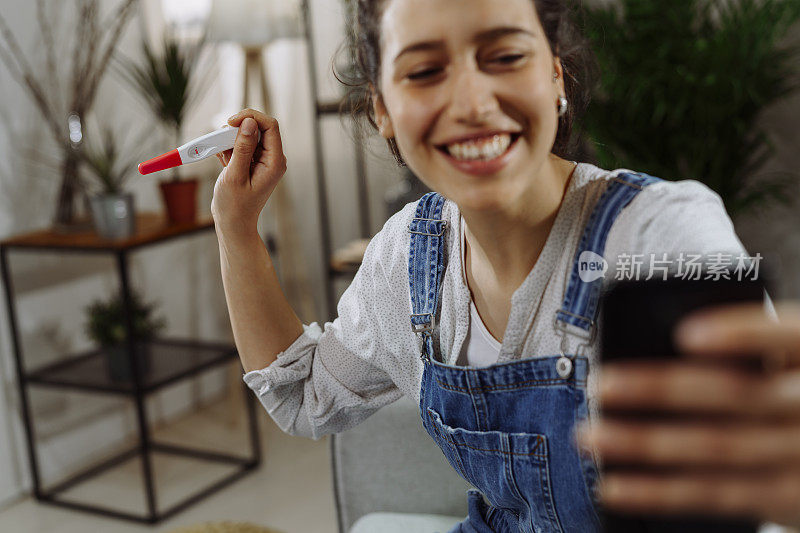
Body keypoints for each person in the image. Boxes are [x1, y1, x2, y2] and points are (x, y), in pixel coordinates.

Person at [211, 0, 800, 531]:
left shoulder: (661, 232)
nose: (472, 103)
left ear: (554, 78)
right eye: (423, 71)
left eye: (506, 56)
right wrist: (237, 227)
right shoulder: (408, 257)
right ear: (383, 111)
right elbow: (302, 394)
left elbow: (746, 491)